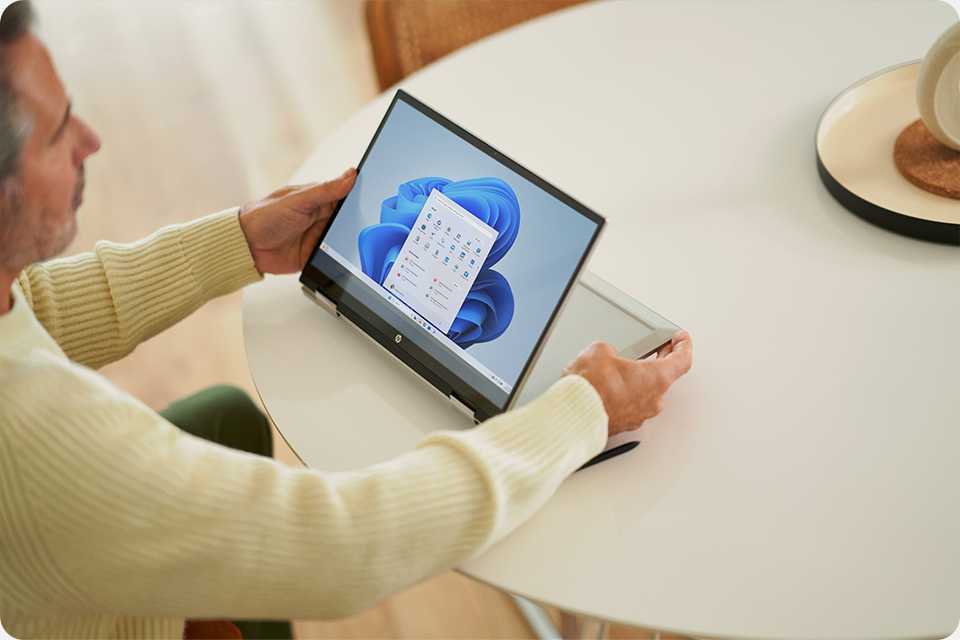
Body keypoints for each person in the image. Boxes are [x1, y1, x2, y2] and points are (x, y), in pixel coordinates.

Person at [0, 2, 693, 639]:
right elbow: (344, 545)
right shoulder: (38, 437)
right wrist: (581, 413)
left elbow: (34, 307)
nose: (90, 141)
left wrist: (240, 241)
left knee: (229, 418)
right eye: (58, 135)